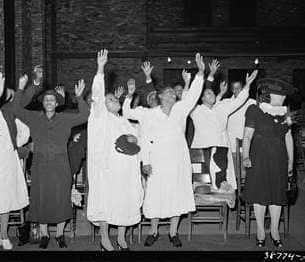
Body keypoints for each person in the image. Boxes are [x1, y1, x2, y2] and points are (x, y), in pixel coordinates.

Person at [123, 53, 205, 247]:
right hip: (157, 158)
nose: (172, 95)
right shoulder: (149, 114)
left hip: (178, 157)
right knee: (155, 194)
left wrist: (201, 73)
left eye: (173, 93)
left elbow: (193, 94)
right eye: (168, 92)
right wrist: (129, 95)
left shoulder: (181, 109)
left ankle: (173, 232)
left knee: (176, 192)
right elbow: (128, 113)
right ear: (160, 96)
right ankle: (153, 231)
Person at [11, 75, 89, 249]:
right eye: (46, 99)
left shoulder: (66, 118)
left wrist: (79, 97)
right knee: (41, 198)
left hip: (61, 163)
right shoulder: (33, 117)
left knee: (61, 198)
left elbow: (85, 114)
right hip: (40, 163)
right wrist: (23, 87)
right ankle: (45, 235)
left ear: (57, 103)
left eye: (52, 99)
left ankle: (60, 234)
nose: (49, 102)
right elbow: (16, 108)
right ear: (43, 102)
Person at [87, 49, 143, 251]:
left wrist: (135, 137)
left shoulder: (125, 120)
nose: (114, 100)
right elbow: (97, 96)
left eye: (114, 99)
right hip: (108, 168)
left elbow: (138, 139)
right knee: (106, 200)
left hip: (126, 169)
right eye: (110, 99)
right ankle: (104, 238)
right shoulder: (100, 116)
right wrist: (100, 70)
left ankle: (121, 237)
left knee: (124, 200)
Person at [242, 78, 295, 248]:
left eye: (284, 95)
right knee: (260, 194)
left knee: (277, 195)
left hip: (279, 160)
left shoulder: (286, 113)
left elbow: (288, 138)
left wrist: (291, 162)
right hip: (258, 158)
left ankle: (274, 230)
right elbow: (248, 135)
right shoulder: (254, 110)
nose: (283, 98)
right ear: (270, 94)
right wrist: (245, 156)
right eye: (281, 94)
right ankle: (259, 230)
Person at [190, 70, 258, 190]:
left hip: (220, 151)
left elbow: (239, 101)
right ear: (201, 99)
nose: (213, 95)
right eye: (209, 94)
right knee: (201, 183)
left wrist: (248, 84)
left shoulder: (221, 109)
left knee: (222, 177)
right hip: (201, 151)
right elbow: (188, 99)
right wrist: (197, 76)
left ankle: (222, 185)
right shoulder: (196, 111)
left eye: (212, 93)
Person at [0, 73, 29, 250]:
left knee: (5, 196)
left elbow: (24, 134)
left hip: (6, 159)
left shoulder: (13, 115)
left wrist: (14, 144)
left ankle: (4, 234)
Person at [223, 81, 256, 155]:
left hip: (248, 144)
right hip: (230, 144)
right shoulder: (226, 103)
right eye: (234, 88)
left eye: (239, 88)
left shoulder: (252, 103)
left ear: (243, 88)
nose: (236, 91)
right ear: (231, 90)